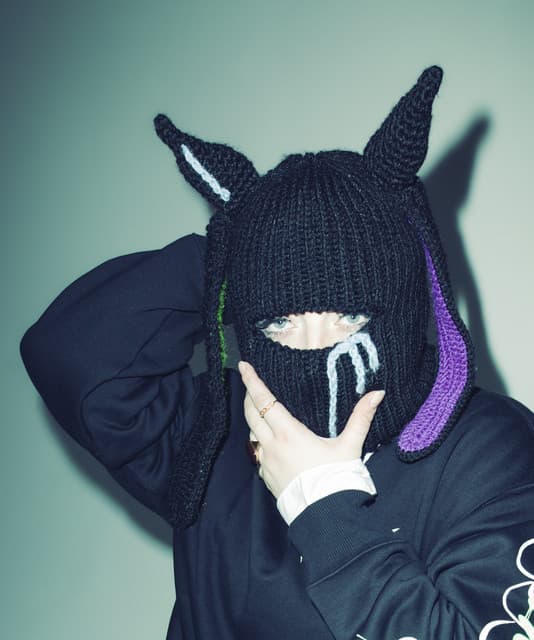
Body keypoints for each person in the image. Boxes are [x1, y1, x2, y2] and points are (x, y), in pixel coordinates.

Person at [20, 66, 534, 639]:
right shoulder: (215, 430)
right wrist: (239, 252)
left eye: (350, 316)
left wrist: (326, 513)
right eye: (280, 321)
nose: (314, 347)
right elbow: (69, 352)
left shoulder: (489, 448)